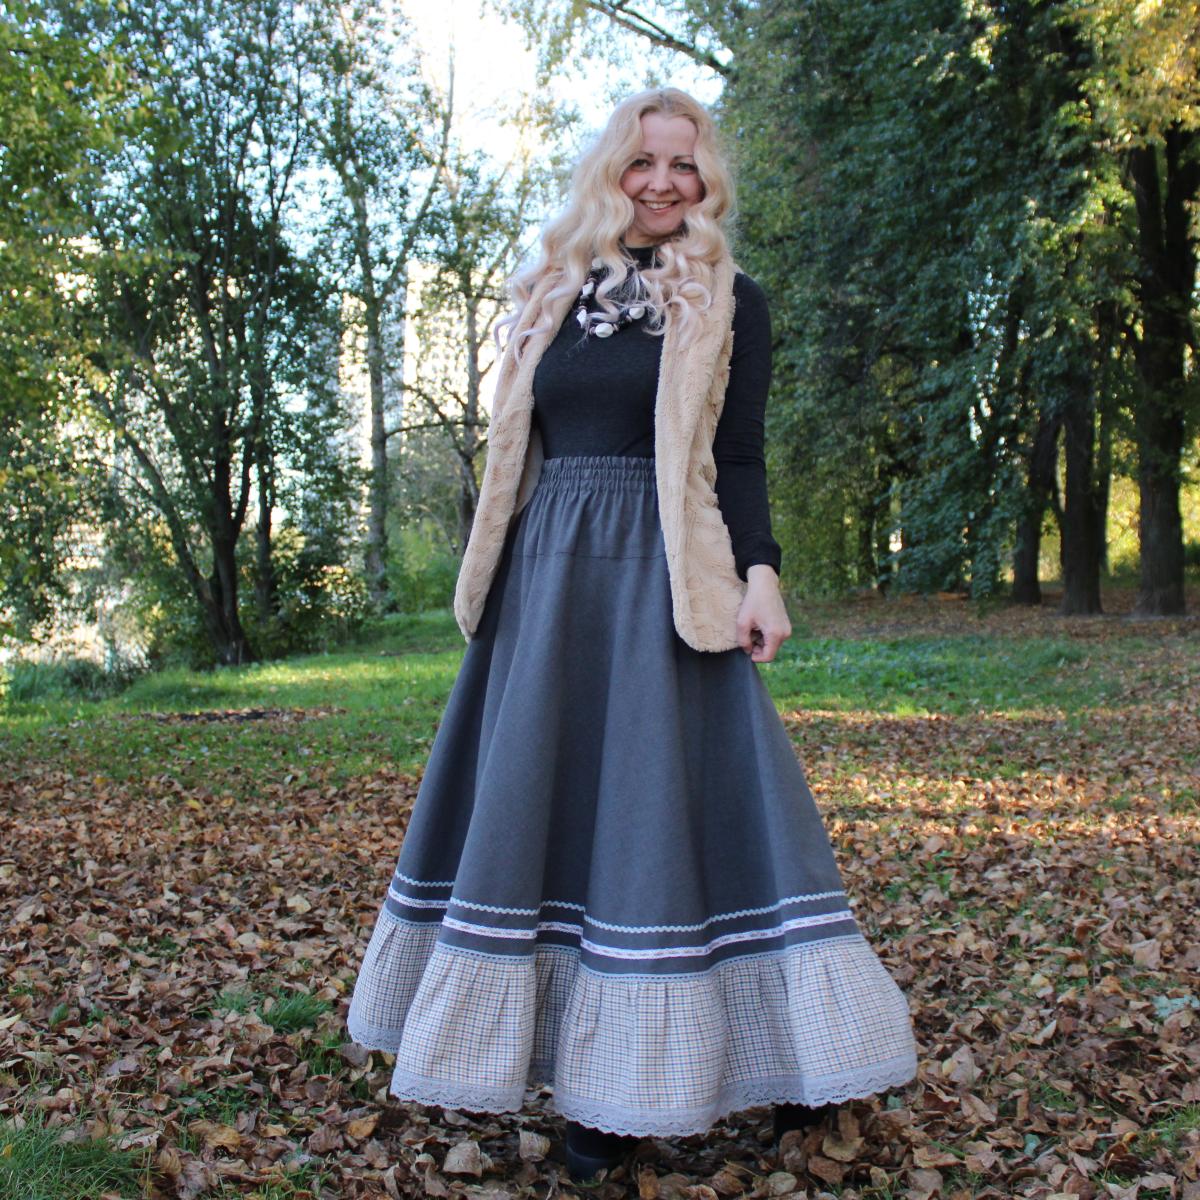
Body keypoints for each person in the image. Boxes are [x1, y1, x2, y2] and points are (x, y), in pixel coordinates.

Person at [346, 86, 919, 1185]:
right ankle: (585, 1073)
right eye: (644, 161)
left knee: (682, 810)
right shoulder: (549, 287)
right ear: (612, 170)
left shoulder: (733, 299)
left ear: (708, 181)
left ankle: (785, 1057)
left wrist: (761, 575)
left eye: (684, 164)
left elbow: (738, 455)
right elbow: (516, 450)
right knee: (547, 813)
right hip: (547, 582)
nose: (663, 182)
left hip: (666, 576)